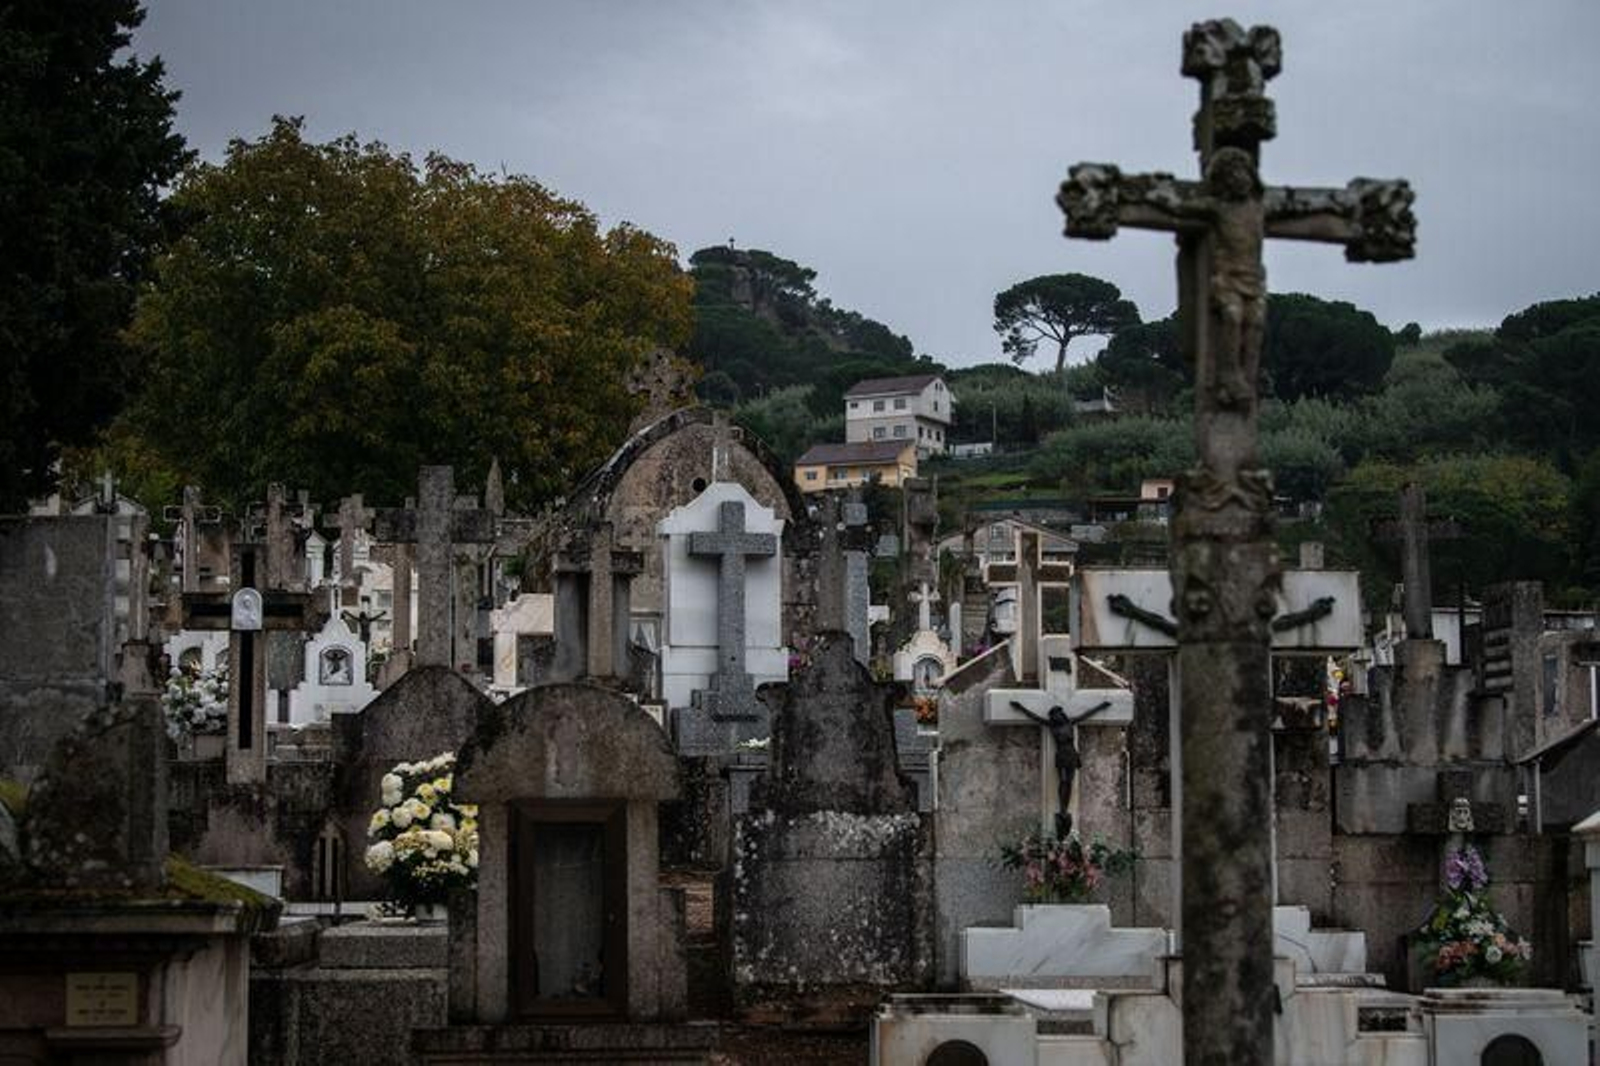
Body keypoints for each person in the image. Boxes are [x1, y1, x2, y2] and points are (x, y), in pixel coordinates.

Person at [1010, 698, 1112, 837]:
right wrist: (1020, 707)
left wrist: (1101, 706)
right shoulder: (1052, 726)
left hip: (1071, 755)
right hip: (1061, 755)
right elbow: (1034, 717)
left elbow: (1087, 714)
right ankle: (1062, 808)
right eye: (1053, 716)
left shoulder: (1070, 723)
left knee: (1068, 782)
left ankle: (1064, 809)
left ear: (1061, 714)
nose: (1054, 717)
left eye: (1056, 714)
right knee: (1063, 781)